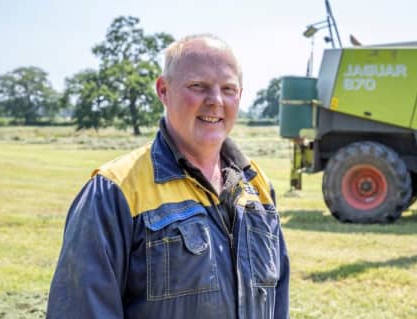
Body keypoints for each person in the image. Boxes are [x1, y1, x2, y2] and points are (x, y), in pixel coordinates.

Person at [47, 34, 289, 319]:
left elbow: (277, 301)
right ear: (163, 90)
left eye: (227, 88)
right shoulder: (114, 191)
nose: (215, 100)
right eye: (198, 86)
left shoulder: (256, 186)